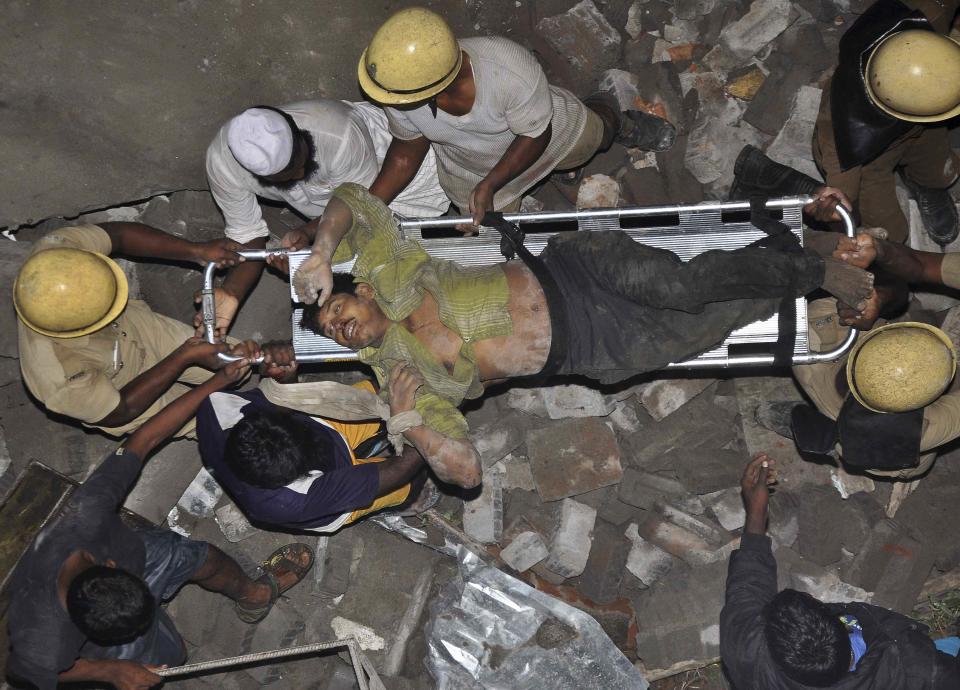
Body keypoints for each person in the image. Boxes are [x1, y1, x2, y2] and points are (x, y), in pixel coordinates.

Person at [287, 182, 874, 488]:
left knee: (682, 286)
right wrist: (406, 422)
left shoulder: (387, 268)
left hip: (575, 268)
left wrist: (320, 252)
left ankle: (818, 270)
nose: (337, 326)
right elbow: (466, 472)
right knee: (714, 322)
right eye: (334, 335)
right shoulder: (400, 380)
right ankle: (794, 260)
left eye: (334, 308)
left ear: (357, 290)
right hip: (595, 346)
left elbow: (353, 198)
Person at [5, 344, 314, 690]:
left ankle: (254, 595)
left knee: (202, 557)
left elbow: (145, 438)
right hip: (98, 638)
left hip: (137, 557)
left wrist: (217, 381)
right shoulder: (41, 638)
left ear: (107, 565)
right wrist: (108, 671)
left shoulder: (85, 516)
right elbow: (20, 673)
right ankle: (143, 648)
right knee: (172, 655)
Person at [357, 7, 677, 232]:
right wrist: (365, 210)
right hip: (469, 170)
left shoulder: (508, 69)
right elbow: (405, 152)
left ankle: (617, 118)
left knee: (599, 134)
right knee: (493, 228)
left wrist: (491, 183)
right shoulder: (400, 89)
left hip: (547, 135)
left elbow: (537, 135)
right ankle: (547, 179)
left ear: (436, 83)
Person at [202, 100, 450, 338]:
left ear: (294, 125)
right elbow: (248, 235)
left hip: (394, 180)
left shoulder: (338, 133)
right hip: (340, 214)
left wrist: (313, 237)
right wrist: (232, 292)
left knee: (428, 255)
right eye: (288, 176)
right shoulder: (223, 165)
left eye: (302, 161)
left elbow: (362, 204)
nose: (300, 173)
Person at [720, 453, 960, 688]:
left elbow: (747, 585)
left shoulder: (745, 654)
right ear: (845, 630)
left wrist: (756, 511)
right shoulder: (909, 667)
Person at [14, 222, 247, 438]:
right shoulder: (57, 378)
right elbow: (121, 411)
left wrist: (196, 251)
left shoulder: (58, 257)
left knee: (236, 359)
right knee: (215, 421)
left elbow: (119, 236)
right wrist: (183, 357)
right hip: (121, 389)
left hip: (133, 328)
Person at [760, 233, 960, 480]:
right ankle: (838, 436)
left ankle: (837, 437)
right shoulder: (925, 430)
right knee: (911, 460)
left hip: (839, 368)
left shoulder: (923, 430)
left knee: (896, 456)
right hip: (830, 369)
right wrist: (877, 296)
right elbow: (914, 272)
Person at [195, 343, 437, 532]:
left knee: (383, 389)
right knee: (412, 477)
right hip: (330, 490)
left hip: (321, 426)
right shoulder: (294, 500)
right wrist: (417, 420)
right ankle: (408, 500)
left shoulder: (218, 409)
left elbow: (279, 402)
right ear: (299, 473)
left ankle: (365, 441)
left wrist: (284, 379)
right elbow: (400, 469)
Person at [811, 0, 959, 245]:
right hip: (872, 158)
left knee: (940, 173)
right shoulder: (842, 142)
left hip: (923, 122)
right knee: (891, 234)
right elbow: (844, 202)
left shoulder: (927, 19)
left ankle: (927, 185)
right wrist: (840, 217)